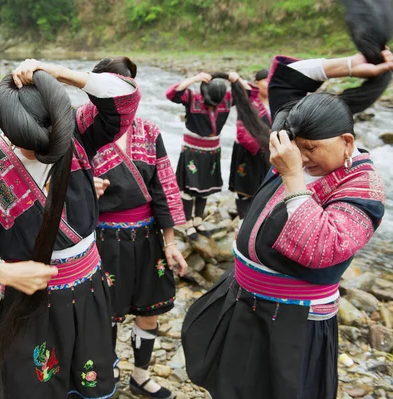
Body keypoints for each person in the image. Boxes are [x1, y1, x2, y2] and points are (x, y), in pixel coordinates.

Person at [181, 50, 392, 399]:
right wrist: (354, 65)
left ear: (347, 142)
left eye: (312, 149)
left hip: (293, 318)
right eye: (297, 148)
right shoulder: (298, 139)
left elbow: (323, 247)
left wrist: (293, 175)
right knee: (230, 385)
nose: (302, 156)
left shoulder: (363, 188)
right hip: (241, 294)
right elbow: (286, 80)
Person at [0, 58, 141, 399]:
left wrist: (58, 74)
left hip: (89, 289)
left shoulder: (74, 134)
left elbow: (125, 97)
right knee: (32, 385)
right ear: (8, 128)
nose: (45, 150)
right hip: (31, 302)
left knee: (89, 375)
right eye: (32, 146)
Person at [89, 57, 187, 399]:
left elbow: (165, 187)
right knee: (108, 315)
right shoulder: (82, 132)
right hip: (103, 240)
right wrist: (86, 186)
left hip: (147, 239)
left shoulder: (149, 131)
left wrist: (170, 242)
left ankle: (141, 375)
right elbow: (63, 184)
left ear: (133, 89)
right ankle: (109, 372)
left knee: (149, 312)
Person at [165, 72, 242, 240]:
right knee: (188, 188)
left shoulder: (227, 98)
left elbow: (250, 93)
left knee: (205, 188)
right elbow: (171, 93)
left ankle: (198, 220)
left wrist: (235, 78)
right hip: (192, 150)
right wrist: (194, 78)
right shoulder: (193, 98)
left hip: (212, 151)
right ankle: (187, 223)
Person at [228, 69, 272, 219]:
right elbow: (242, 132)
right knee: (245, 191)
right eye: (266, 80)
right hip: (248, 152)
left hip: (268, 153)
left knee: (266, 189)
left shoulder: (276, 102)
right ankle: (243, 222)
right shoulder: (248, 101)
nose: (270, 84)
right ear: (257, 83)